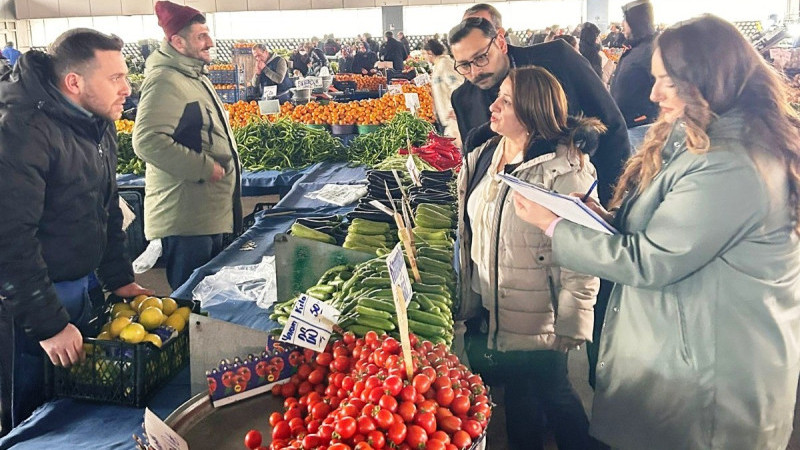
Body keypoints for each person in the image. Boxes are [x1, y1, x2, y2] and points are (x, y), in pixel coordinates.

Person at [512, 15, 800, 449]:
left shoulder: (732, 164)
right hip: (690, 353)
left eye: (667, 81)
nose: (652, 94)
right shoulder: (701, 141)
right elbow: (674, 231)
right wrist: (604, 220)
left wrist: (554, 225)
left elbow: (650, 261)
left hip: (710, 382)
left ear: (707, 78)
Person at [0, 28, 152, 436]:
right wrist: (48, 324)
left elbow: (104, 209)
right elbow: (9, 238)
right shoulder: (21, 130)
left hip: (80, 287)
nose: (128, 87)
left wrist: (118, 278)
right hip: (28, 305)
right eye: (116, 78)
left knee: (75, 409)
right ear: (74, 82)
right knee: (33, 419)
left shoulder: (95, 123)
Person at [458, 66, 600, 450]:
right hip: (494, 306)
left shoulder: (564, 170)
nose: (494, 105)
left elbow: (583, 253)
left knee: (556, 398)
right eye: (498, 96)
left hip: (540, 315)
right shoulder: (485, 152)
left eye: (506, 100)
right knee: (521, 400)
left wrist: (574, 320)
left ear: (532, 111)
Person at [449, 16, 630, 206]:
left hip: (581, 199)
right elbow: (474, 170)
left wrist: (613, 200)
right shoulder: (463, 100)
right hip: (509, 219)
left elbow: (610, 123)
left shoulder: (557, 57)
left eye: (481, 58)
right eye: (464, 65)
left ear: (501, 43)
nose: (475, 72)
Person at [133, 1, 242, 291]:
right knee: (190, 299)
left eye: (208, 33)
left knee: (207, 296)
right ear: (177, 42)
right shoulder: (165, 80)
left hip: (206, 212)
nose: (210, 42)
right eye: (200, 37)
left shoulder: (191, 75)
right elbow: (147, 140)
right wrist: (205, 168)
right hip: (187, 217)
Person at [610, 0, 659, 130]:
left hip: (640, 126)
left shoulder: (652, 51)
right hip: (627, 124)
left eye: (625, 20)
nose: (622, 24)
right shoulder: (637, 48)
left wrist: (649, 116)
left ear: (635, 22)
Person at [424, 39, 464, 147]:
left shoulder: (445, 64)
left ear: (430, 53)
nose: (424, 57)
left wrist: (454, 108)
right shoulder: (438, 65)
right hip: (445, 117)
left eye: (424, 54)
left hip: (452, 118)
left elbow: (458, 85)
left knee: (456, 148)